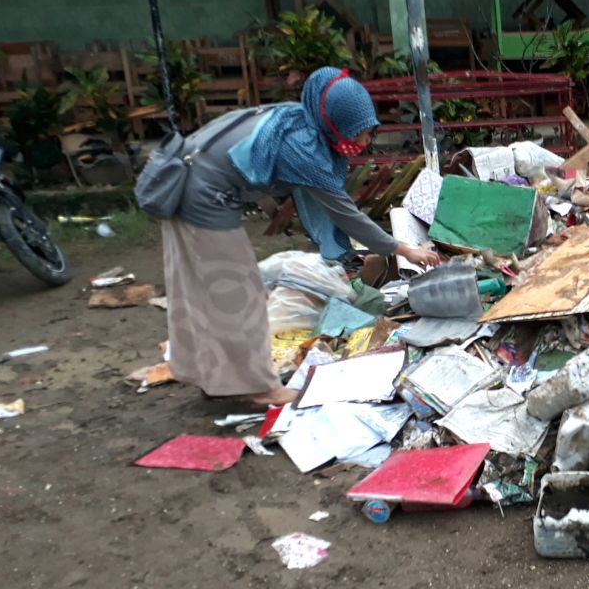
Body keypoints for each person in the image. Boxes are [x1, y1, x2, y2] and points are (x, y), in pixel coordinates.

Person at [161, 67, 440, 406]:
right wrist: (403, 249)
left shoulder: (300, 125)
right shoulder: (302, 149)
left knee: (209, 287)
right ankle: (263, 389)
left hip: (195, 186)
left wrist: (341, 253)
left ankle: (210, 375)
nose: (365, 143)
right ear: (332, 122)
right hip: (199, 195)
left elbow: (320, 203)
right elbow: (343, 211)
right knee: (235, 287)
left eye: (369, 133)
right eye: (359, 134)